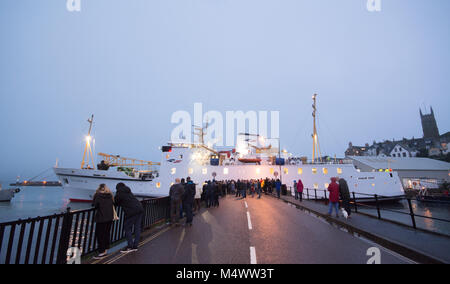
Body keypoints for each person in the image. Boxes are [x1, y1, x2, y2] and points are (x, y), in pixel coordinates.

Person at [115, 183, 144, 253]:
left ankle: (130, 246)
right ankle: (135, 246)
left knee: (127, 228)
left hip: (132, 211)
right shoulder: (128, 191)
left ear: (117, 188)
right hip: (140, 208)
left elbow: (116, 202)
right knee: (137, 228)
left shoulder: (119, 193)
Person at [92, 184, 114, 259]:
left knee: (100, 235)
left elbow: (94, 205)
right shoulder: (110, 196)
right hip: (109, 218)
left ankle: (101, 252)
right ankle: (105, 249)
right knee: (106, 233)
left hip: (101, 218)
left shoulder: (98, 195)